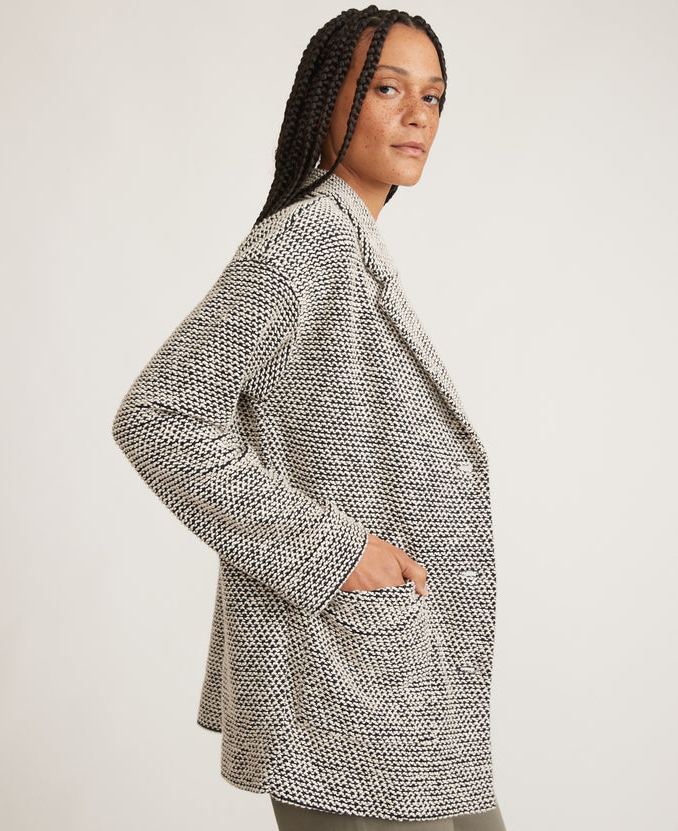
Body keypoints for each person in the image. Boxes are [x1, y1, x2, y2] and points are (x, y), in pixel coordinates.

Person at [112, 5, 506, 830]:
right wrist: (338, 552)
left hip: (395, 671)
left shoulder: (350, 242)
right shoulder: (307, 241)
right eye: (388, 88)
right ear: (329, 99)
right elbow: (159, 416)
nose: (417, 115)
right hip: (345, 677)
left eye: (433, 96)